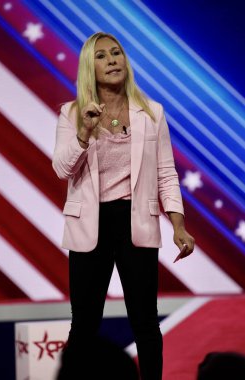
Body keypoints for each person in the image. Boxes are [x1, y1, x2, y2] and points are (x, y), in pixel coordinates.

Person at [52, 32, 195, 380]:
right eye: (102, 56)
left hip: (135, 222)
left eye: (117, 53)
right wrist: (84, 132)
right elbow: (61, 169)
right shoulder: (72, 113)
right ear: (90, 67)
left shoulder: (152, 112)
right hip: (91, 225)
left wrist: (178, 225)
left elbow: (166, 173)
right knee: (84, 323)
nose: (113, 60)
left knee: (145, 321)